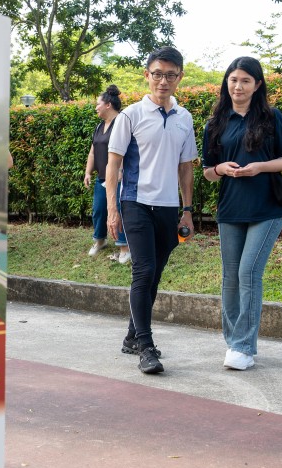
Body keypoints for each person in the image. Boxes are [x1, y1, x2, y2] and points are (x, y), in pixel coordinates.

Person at [201, 57, 282, 371]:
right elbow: (207, 172)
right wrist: (220, 168)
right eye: (233, 79)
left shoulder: (271, 117)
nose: (238, 86)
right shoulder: (215, 123)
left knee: (248, 273)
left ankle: (244, 347)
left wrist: (260, 167)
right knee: (230, 278)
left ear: (257, 85)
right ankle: (234, 342)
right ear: (226, 83)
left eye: (245, 80)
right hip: (230, 208)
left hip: (267, 208)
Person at [105, 47, 198, 375]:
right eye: (157, 74)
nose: (163, 81)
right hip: (136, 203)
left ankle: (133, 336)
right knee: (143, 271)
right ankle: (146, 347)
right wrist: (112, 210)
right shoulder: (130, 116)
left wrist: (187, 210)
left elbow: (185, 168)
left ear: (179, 77)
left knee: (155, 273)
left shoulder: (184, 118)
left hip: (168, 207)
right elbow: (113, 166)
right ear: (147, 75)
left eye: (170, 75)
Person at [82, 84, 131, 264]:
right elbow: (92, 152)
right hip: (102, 177)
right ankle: (100, 240)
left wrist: (121, 171)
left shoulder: (122, 123)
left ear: (108, 105)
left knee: (119, 211)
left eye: (98, 104)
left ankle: (124, 247)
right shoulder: (99, 126)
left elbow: (127, 149)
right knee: (99, 210)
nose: (96, 107)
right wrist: (88, 172)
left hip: (120, 178)